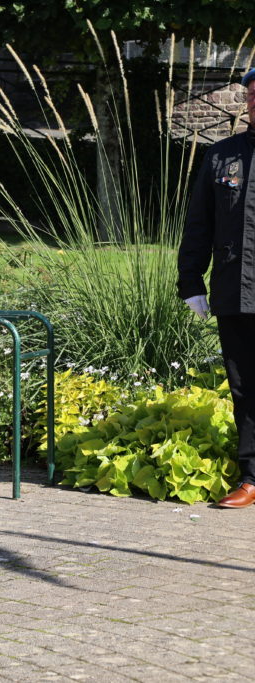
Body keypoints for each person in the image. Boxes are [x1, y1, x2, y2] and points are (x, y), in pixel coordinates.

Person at [178, 66, 255, 508]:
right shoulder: (222, 156)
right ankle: (252, 476)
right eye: (251, 95)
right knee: (245, 388)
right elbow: (199, 222)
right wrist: (190, 281)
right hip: (235, 291)